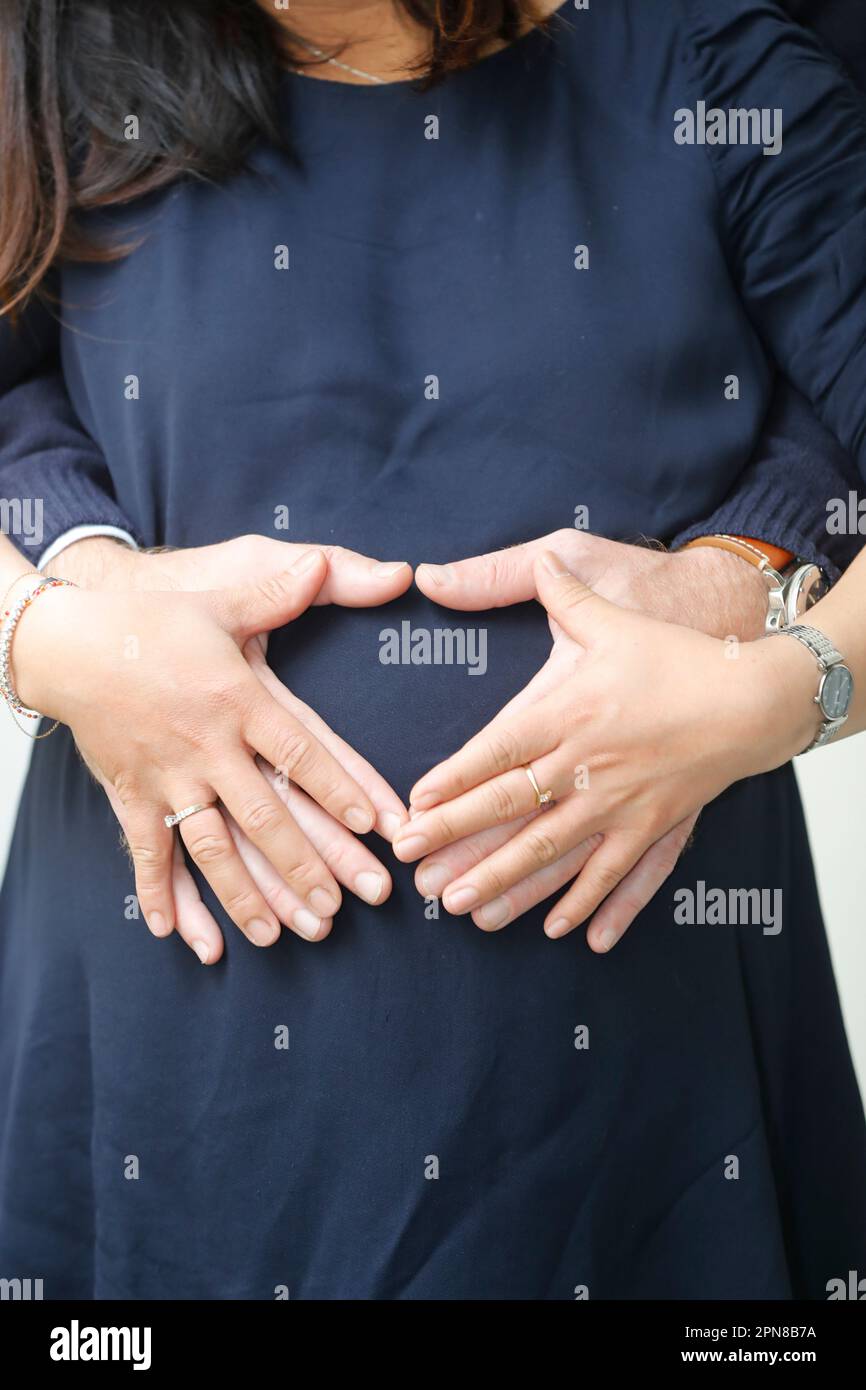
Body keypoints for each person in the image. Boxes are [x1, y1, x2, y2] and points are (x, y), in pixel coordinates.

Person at [0, 0, 864, 1300]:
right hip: (155, 1095)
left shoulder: (717, 72)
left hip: (639, 1127)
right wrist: (54, 630)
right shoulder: (61, 67)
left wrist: (780, 688)